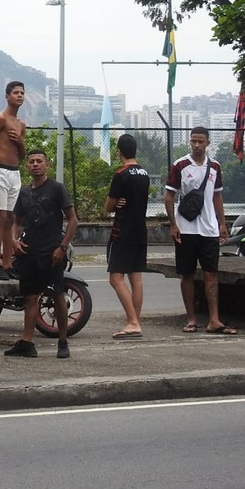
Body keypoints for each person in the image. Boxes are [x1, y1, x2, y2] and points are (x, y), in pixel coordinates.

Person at [5, 149, 78, 359]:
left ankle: (62, 342)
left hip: (51, 253)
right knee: (30, 298)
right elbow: (17, 222)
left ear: (47, 165)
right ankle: (27, 343)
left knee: (57, 296)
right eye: (31, 161)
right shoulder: (24, 193)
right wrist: (14, 240)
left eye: (39, 161)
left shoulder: (57, 189)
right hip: (29, 252)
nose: (35, 164)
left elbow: (73, 220)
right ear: (27, 166)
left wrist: (62, 247)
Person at [164, 126, 237, 335]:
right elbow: (169, 196)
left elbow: (217, 196)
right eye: (193, 141)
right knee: (187, 274)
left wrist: (222, 224)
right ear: (190, 142)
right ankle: (191, 319)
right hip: (186, 228)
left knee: (211, 273)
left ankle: (214, 319)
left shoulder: (215, 166)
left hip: (209, 229)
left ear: (207, 143)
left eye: (200, 141)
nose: (196, 145)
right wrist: (173, 224)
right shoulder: (180, 165)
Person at [104, 134, 150, 339]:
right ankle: (135, 320)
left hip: (122, 231)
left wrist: (116, 204)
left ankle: (132, 322)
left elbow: (108, 206)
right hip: (140, 230)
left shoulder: (121, 174)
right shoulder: (144, 174)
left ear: (119, 152)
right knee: (136, 277)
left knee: (116, 278)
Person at [0, 81, 27, 280]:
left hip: (14, 172)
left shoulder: (21, 124)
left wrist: (21, 141)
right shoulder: (0, 118)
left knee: (10, 219)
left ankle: (8, 264)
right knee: (0, 217)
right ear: (7, 96)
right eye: (16, 92)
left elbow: (22, 155)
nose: (20, 95)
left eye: (22, 93)